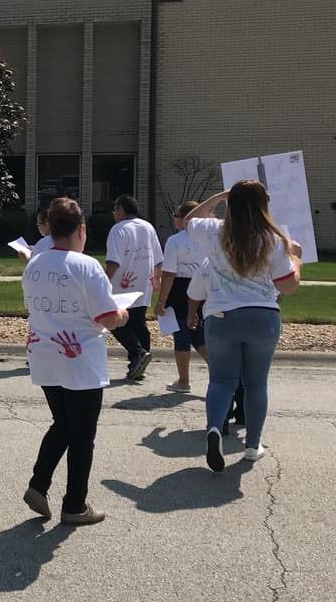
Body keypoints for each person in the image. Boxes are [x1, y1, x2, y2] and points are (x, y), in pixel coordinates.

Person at [21, 197, 130, 527]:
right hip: (79, 358)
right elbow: (108, 317)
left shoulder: (35, 264)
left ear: (50, 229)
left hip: (43, 353)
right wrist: (124, 313)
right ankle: (75, 504)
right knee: (83, 434)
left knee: (63, 423)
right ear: (81, 229)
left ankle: (39, 484)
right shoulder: (86, 266)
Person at [184, 181, 303, 471]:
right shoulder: (273, 240)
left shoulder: (214, 231)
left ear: (232, 204)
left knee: (222, 380)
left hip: (221, 315)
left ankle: (214, 428)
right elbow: (288, 286)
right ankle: (252, 445)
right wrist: (296, 258)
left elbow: (188, 220)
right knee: (255, 383)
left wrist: (221, 196)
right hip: (262, 315)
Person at [105, 194, 162, 380]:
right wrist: (156, 278)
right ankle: (139, 361)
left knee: (113, 320)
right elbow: (158, 256)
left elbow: (113, 260)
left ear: (122, 209)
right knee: (138, 322)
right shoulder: (148, 227)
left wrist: (105, 281)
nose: (113, 213)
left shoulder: (118, 229)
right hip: (143, 281)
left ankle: (138, 353)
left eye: (115, 209)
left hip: (122, 284)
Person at [153, 201, 209, 392]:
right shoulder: (208, 238)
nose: (174, 218)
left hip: (181, 287)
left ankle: (184, 380)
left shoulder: (175, 241)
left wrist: (161, 301)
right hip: (204, 286)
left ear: (186, 218)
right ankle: (218, 370)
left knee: (182, 334)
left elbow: (169, 274)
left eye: (177, 215)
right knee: (198, 334)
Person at [185, 259, 245, 434]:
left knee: (221, 373)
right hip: (249, 318)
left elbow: (195, 293)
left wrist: (191, 314)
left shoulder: (209, 260)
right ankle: (243, 413)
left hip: (220, 318)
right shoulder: (255, 254)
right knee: (245, 368)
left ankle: (221, 419)